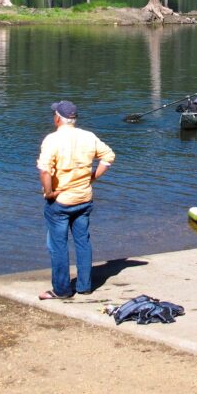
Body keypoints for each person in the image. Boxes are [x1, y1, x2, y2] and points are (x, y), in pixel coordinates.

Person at [36, 100, 115, 300]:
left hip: (61, 201)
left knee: (58, 245)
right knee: (82, 241)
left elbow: (44, 170)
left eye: (54, 114)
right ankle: (84, 286)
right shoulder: (88, 137)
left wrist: (49, 193)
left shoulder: (52, 140)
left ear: (57, 118)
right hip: (84, 198)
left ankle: (62, 290)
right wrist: (93, 178)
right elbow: (108, 157)